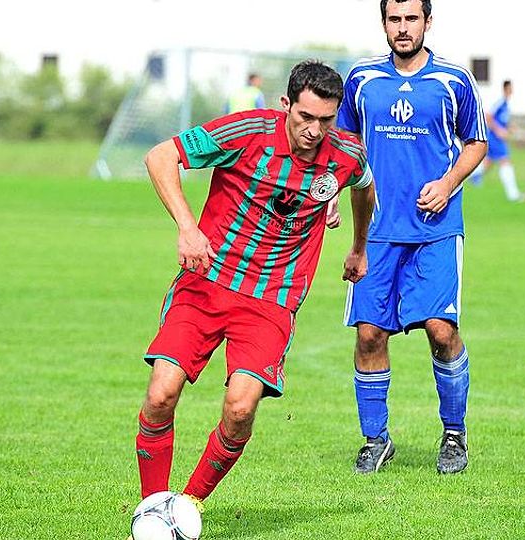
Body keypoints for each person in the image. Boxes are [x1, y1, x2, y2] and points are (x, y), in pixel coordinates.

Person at [135, 60, 375, 507]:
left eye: (326, 120)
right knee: (161, 393)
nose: (314, 130)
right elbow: (160, 156)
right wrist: (188, 228)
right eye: (305, 117)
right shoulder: (246, 131)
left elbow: (364, 186)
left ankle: (187, 505)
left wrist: (359, 246)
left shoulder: (347, 155)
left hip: (271, 299)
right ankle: (152, 510)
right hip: (206, 283)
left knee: (241, 408)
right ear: (286, 105)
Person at [336, 0, 487, 475]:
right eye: (394, 19)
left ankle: (454, 435)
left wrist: (447, 183)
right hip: (377, 232)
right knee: (369, 335)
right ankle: (375, 440)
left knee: (441, 331)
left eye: (411, 19)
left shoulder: (454, 80)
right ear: (384, 23)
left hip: (435, 230)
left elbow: (477, 142)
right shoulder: (361, 79)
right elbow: (342, 146)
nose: (403, 28)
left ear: (427, 22)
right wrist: (328, 196)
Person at [469, 79, 525, 202]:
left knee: (488, 163)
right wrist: (499, 131)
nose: (512, 90)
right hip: (494, 138)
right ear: (506, 89)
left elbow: (501, 121)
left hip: (494, 138)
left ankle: (468, 175)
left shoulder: (506, 105)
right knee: (505, 161)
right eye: (510, 88)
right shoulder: (500, 102)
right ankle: (513, 195)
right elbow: (488, 116)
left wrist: (509, 128)